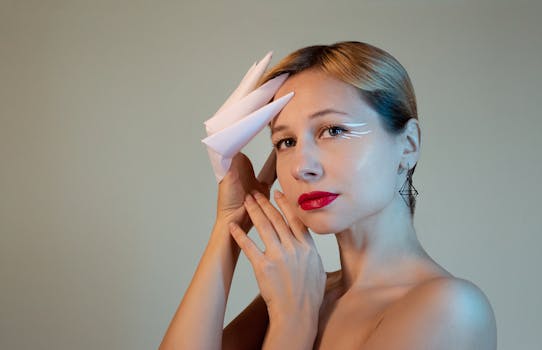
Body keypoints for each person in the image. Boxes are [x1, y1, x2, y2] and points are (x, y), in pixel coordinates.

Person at [160, 41, 497, 350]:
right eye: (286, 142)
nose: (301, 167)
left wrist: (293, 326)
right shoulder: (304, 290)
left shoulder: (451, 310)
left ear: (408, 145)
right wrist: (230, 224)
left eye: (333, 130)